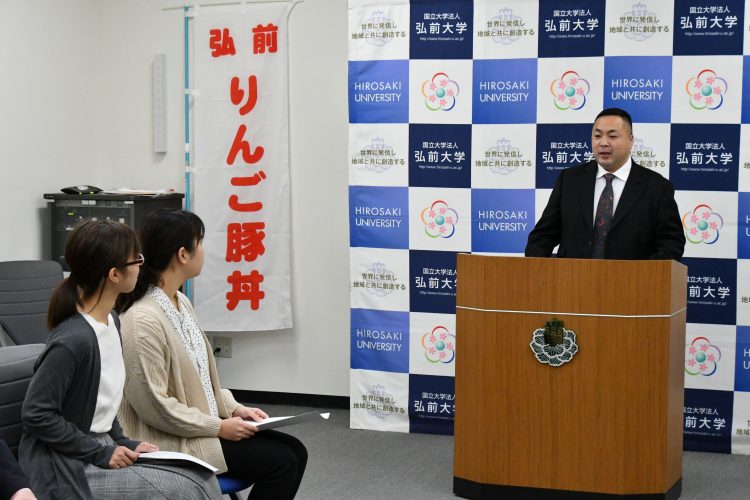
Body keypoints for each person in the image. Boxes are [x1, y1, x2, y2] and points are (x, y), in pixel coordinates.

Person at [19, 220, 221, 499]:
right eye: (136, 259)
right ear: (114, 274)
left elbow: (104, 405)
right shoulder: (74, 340)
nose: (142, 264)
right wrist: (100, 451)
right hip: (65, 462)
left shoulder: (112, 321)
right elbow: (36, 414)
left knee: (202, 476)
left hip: (100, 446)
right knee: (182, 490)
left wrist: (123, 441)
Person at [116, 208, 307, 500]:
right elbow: (154, 407)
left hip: (197, 427)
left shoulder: (179, 301)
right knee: (283, 461)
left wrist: (233, 408)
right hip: (169, 438)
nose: (204, 251)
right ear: (183, 254)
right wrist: (219, 427)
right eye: (200, 243)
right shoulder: (143, 320)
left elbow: (202, 381)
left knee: (295, 451)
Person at [525, 107, 685, 260]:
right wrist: (535, 273)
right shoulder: (569, 179)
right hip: (572, 281)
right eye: (597, 136)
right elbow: (543, 236)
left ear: (630, 141)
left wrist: (644, 275)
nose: (603, 143)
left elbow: (671, 242)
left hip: (632, 284)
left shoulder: (657, 187)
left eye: (612, 136)